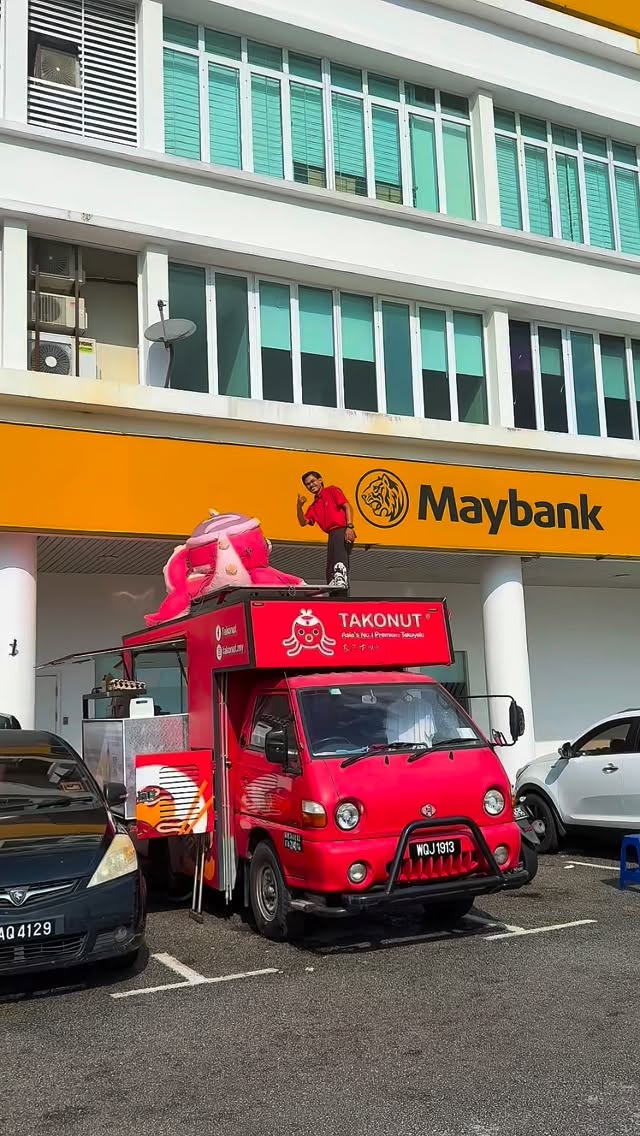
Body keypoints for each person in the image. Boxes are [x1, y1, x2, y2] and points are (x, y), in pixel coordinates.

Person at [296, 471, 356, 589]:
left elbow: (347, 506)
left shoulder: (332, 491)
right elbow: (303, 522)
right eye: (307, 484)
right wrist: (299, 507)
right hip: (331, 534)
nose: (311, 485)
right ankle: (333, 585)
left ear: (320, 480)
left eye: (313, 481)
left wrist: (350, 526)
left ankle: (341, 580)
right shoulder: (314, 505)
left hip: (341, 529)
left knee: (339, 559)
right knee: (330, 566)